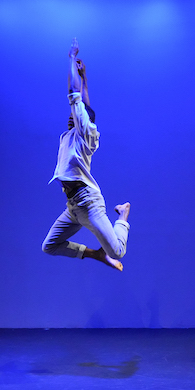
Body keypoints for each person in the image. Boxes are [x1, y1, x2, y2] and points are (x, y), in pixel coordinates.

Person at [42, 38, 131, 271]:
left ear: (85, 121)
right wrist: (86, 80)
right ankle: (96, 255)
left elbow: (77, 100)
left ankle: (123, 214)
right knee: (49, 246)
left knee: (118, 251)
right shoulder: (69, 136)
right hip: (73, 207)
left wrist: (72, 58)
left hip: (89, 203)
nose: (72, 116)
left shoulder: (86, 134)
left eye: (78, 115)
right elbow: (87, 109)